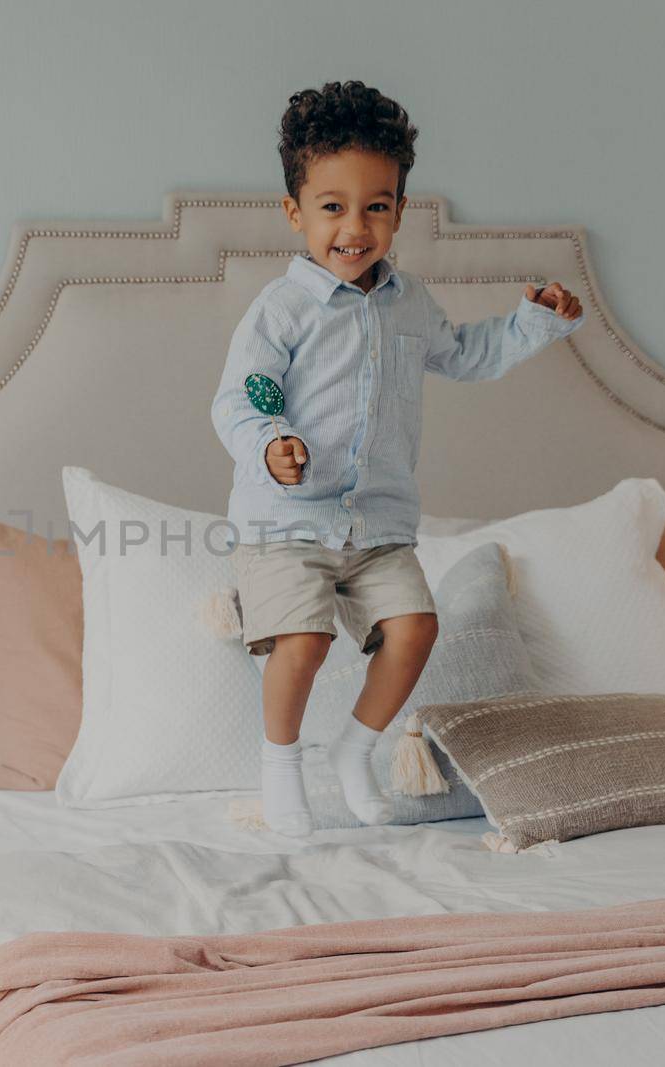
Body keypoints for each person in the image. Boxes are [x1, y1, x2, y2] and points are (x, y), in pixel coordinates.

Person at [211, 81, 585, 836]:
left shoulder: (410, 303)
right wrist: (269, 445)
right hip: (288, 521)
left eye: (376, 206)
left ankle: (356, 749)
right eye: (332, 206)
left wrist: (533, 323)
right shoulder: (280, 313)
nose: (355, 226)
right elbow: (240, 401)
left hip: (378, 524)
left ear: (399, 211)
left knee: (415, 628)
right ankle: (281, 768)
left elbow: (468, 355)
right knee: (305, 637)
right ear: (295, 213)